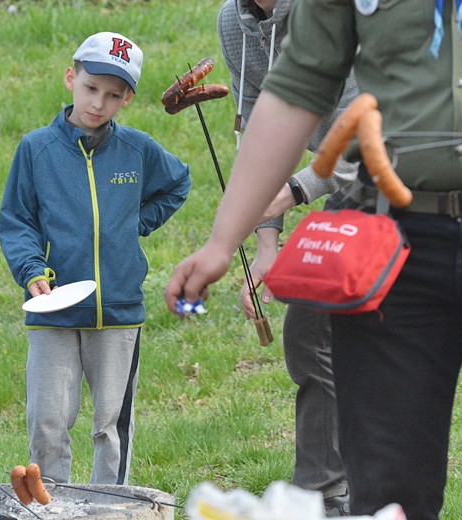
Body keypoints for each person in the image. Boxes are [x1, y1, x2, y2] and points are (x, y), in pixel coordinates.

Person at [166, 0, 460, 518]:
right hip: (397, 242)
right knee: (391, 497)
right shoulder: (241, 23)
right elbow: (296, 88)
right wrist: (224, 241)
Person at [0, 32, 191, 485]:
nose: (98, 103)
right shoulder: (36, 149)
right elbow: (16, 221)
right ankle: (52, 506)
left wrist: (137, 222)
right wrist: (32, 271)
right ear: (71, 78)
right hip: (54, 310)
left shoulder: (138, 150)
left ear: (127, 99)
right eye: (90, 88)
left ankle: (111, 507)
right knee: (47, 423)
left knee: (111, 426)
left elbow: (178, 183)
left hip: (119, 312)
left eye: (113, 95)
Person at [217, 0, 359, 514]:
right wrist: (266, 244)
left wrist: (294, 190)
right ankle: (327, 492)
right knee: (311, 328)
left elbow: (371, 135)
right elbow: (259, 132)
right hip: (346, 187)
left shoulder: (338, 10)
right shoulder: (234, 22)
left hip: (409, 175)